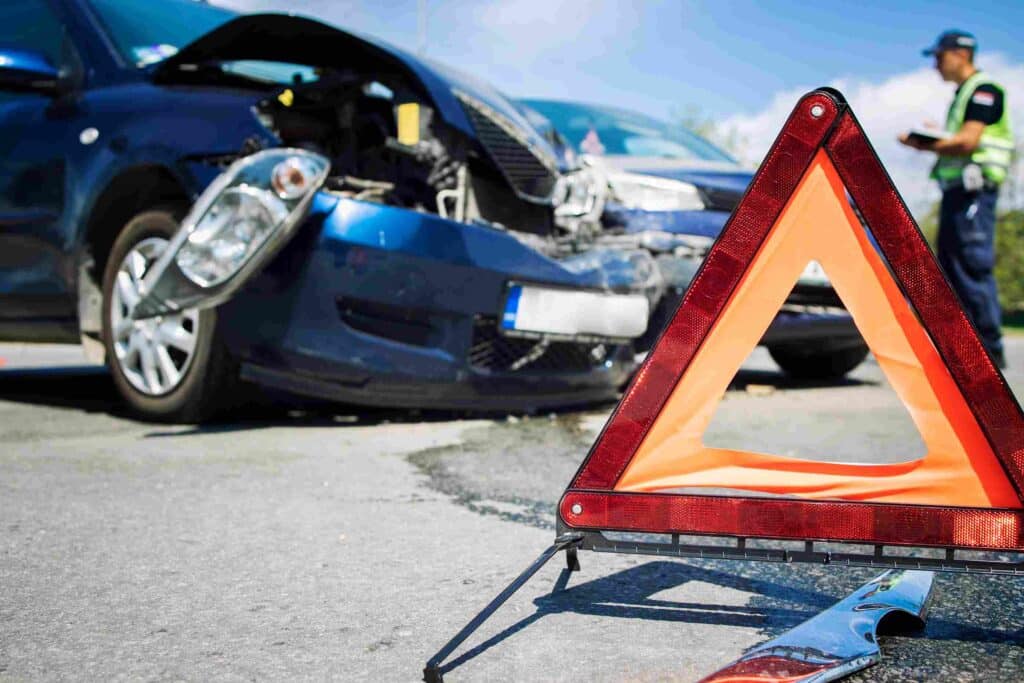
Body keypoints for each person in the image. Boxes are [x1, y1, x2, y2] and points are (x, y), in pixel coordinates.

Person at [899, 30, 1013, 369]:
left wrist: (926, 143)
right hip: (958, 194)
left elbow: (967, 142)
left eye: (939, 57)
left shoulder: (984, 91)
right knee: (951, 266)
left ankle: (988, 354)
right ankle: (963, 350)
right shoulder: (964, 94)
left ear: (960, 54)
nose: (935, 65)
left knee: (971, 266)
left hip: (973, 193)